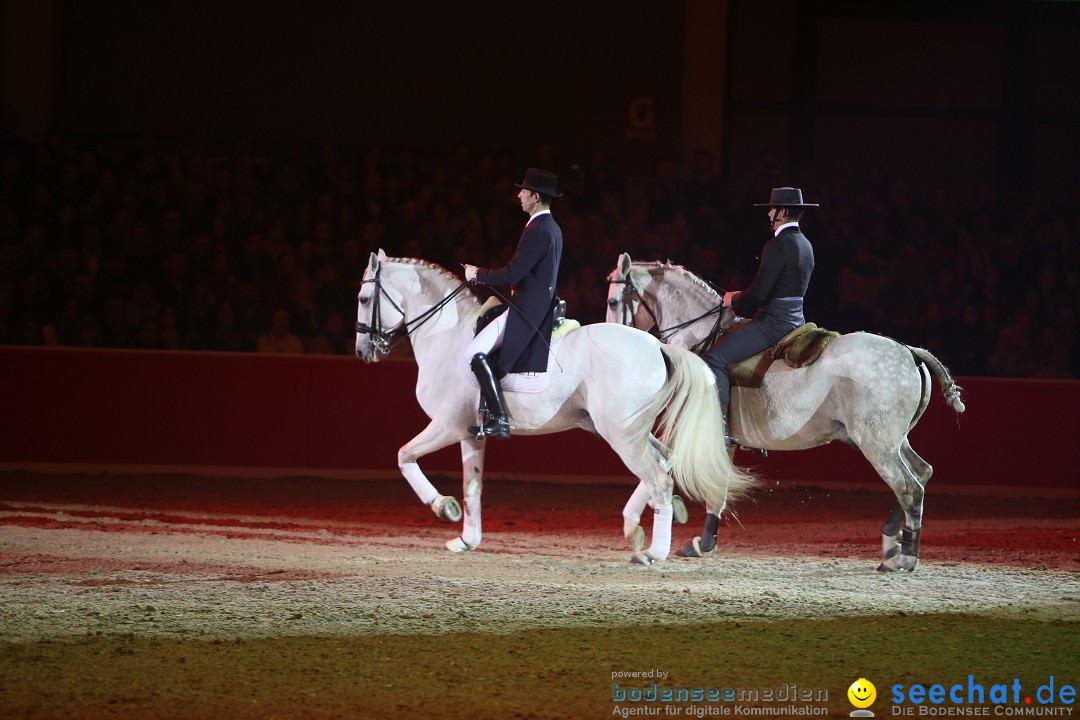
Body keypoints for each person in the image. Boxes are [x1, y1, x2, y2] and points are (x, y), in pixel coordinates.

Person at [687, 187, 817, 557]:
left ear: (779, 212)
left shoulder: (777, 245)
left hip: (772, 323)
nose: (770, 215)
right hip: (796, 318)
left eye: (773, 209)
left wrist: (734, 299)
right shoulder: (805, 244)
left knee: (713, 359)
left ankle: (724, 430)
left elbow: (758, 295)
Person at [460, 168, 564, 439]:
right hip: (537, 305)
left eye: (524, 191)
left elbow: (512, 273)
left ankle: (499, 418)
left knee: (474, 352)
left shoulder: (538, 230)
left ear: (536, 197)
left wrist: (477, 274)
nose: (519, 195)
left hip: (527, 310)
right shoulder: (552, 228)